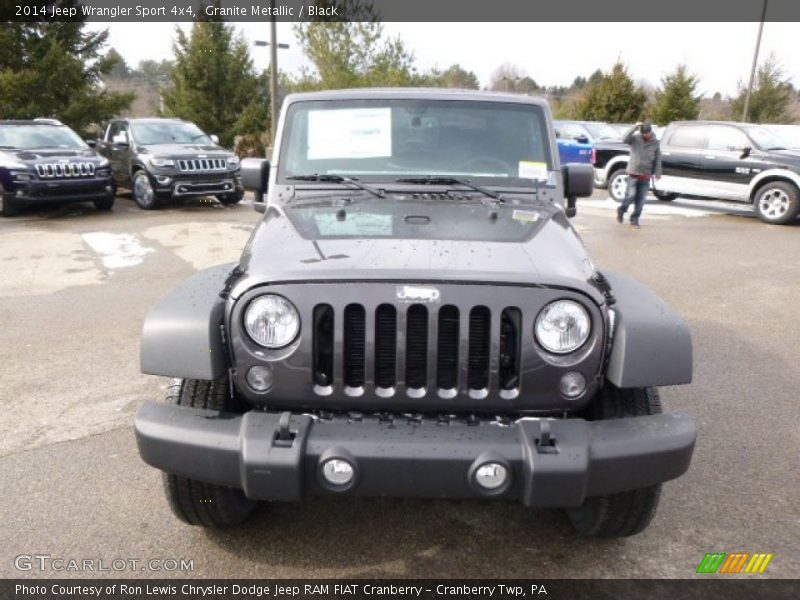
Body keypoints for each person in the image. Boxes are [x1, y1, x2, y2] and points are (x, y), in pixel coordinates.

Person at [617, 121, 662, 228]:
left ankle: (635, 219)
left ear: (651, 132)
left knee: (641, 200)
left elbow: (658, 158)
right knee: (630, 196)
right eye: (644, 133)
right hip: (633, 173)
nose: (646, 135)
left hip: (645, 175)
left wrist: (657, 172)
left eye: (647, 133)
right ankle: (622, 209)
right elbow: (624, 138)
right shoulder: (635, 138)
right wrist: (635, 127)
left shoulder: (656, 142)